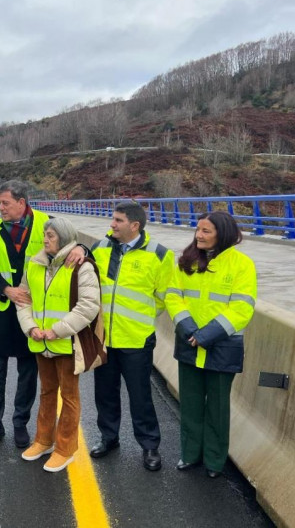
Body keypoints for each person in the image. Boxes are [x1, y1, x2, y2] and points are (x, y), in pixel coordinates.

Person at [0, 180, 85, 450]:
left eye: (5, 203)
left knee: (27, 372)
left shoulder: (46, 223)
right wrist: (5, 290)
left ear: (22, 203)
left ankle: (20, 424)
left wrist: (83, 249)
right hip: (4, 309)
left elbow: (72, 244)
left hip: (36, 312)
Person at [165, 211, 256, 478]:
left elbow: (242, 308)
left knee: (217, 408)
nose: (199, 235)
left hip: (222, 346)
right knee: (191, 404)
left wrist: (207, 335)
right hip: (189, 343)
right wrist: (189, 329)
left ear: (222, 233)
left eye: (206, 231)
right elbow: (173, 295)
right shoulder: (186, 261)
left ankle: (214, 461)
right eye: (198, 230)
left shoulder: (242, 265)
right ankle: (190, 454)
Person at [89, 201, 174, 471]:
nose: (111, 224)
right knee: (105, 393)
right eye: (112, 219)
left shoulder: (159, 254)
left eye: (118, 220)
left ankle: (149, 446)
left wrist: (141, 318)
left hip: (136, 339)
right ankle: (108, 438)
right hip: (104, 337)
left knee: (140, 396)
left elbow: (164, 298)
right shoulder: (100, 248)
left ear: (134, 225)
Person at [16, 218, 101, 472]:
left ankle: (65, 449)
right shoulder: (34, 265)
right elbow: (23, 299)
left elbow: (88, 306)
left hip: (66, 343)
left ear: (63, 238)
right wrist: (30, 327)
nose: (45, 240)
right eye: (45, 235)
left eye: (51, 236)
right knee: (46, 392)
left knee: (70, 396)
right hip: (41, 341)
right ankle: (43, 440)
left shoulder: (80, 266)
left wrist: (56, 331)